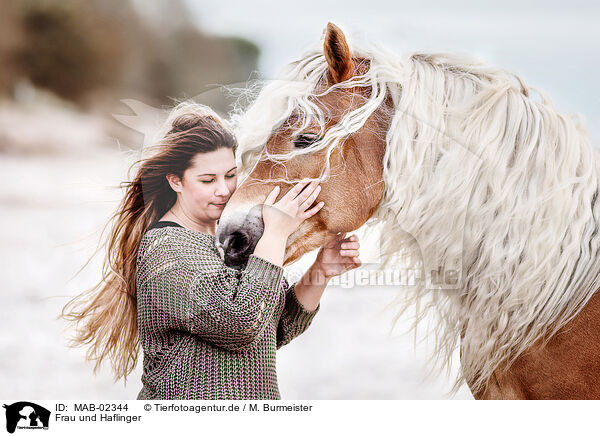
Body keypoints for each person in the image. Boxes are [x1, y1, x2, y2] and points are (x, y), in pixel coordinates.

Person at [61, 102, 361, 400]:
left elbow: (276, 326)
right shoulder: (167, 251)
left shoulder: (229, 240)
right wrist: (276, 233)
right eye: (208, 180)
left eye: (230, 175)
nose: (224, 190)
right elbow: (241, 322)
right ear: (175, 180)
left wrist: (320, 272)